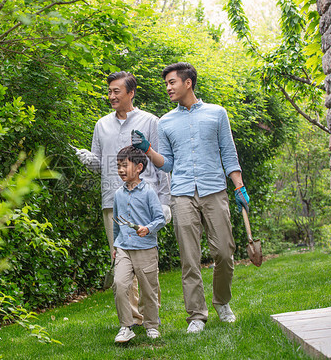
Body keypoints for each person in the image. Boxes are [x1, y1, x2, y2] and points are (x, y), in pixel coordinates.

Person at [131, 62, 250, 333]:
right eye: (167, 84)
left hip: (214, 189)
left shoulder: (217, 114)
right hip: (182, 192)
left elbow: (228, 153)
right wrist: (148, 149)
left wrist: (239, 186)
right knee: (189, 257)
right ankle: (196, 314)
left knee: (224, 251)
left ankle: (222, 301)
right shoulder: (166, 122)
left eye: (172, 83)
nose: (168, 88)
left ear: (188, 83)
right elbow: (167, 164)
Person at [73, 71, 170, 324]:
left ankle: (151, 317)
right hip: (112, 201)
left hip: (143, 202)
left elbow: (161, 163)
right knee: (120, 260)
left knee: (145, 263)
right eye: (109, 92)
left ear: (131, 93)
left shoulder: (150, 121)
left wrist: (165, 202)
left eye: (117, 91)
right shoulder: (101, 124)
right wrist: (87, 159)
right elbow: (99, 165)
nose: (112, 96)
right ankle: (132, 319)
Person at [112, 146, 165, 343]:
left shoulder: (149, 192)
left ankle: (152, 325)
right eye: (118, 166)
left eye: (124, 165)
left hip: (146, 248)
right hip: (124, 247)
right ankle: (126, 326)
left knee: (148, 290)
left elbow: (160, 219)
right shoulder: (118, 194)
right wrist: (115, 248)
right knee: (119, 284)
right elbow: (116, 222)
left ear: (139, 167)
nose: (120, 170)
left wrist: (148, 228)